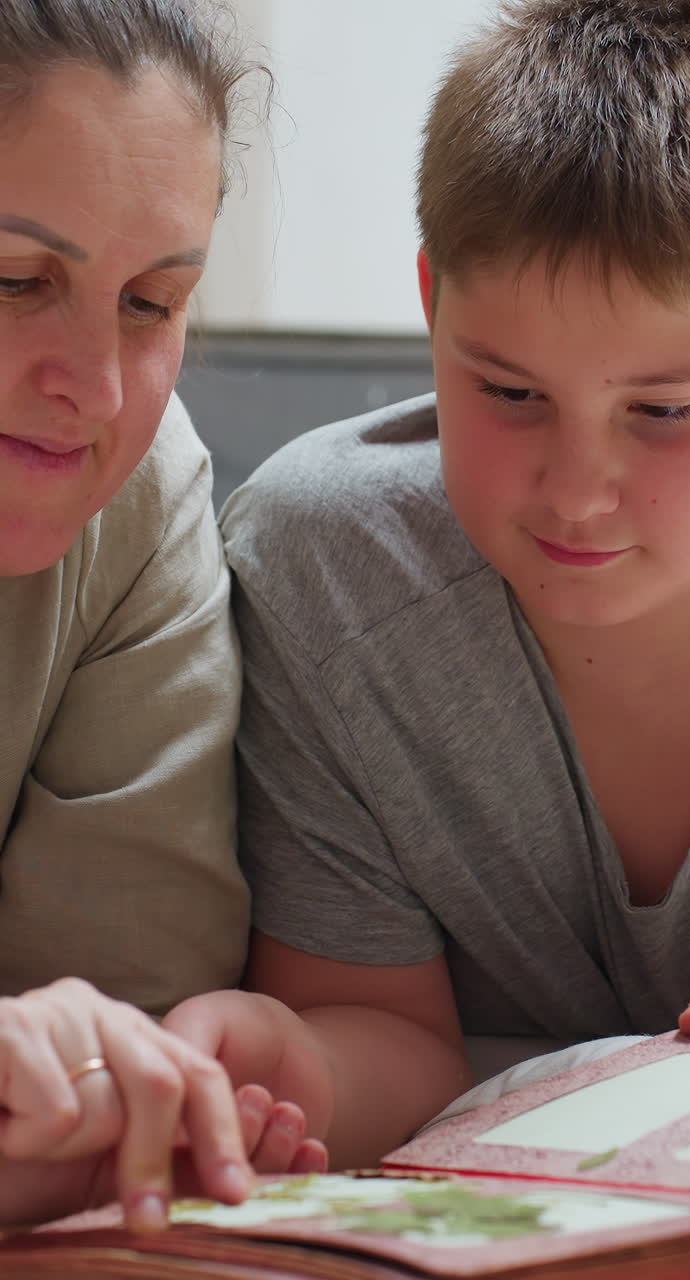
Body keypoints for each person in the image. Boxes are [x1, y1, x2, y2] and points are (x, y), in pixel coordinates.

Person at [192, 0, 690, 1169]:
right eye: (511, 392)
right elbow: (382, 1031)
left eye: (666, 409)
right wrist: (284, 1073)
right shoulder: (328, 575)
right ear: (431, 303)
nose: (576, 492)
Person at [0, 0, 324, 1233]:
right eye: (14, 279)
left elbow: (108, 1052)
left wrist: (72, 1127)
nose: (94, 389)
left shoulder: (137, 495)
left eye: (152, 302)